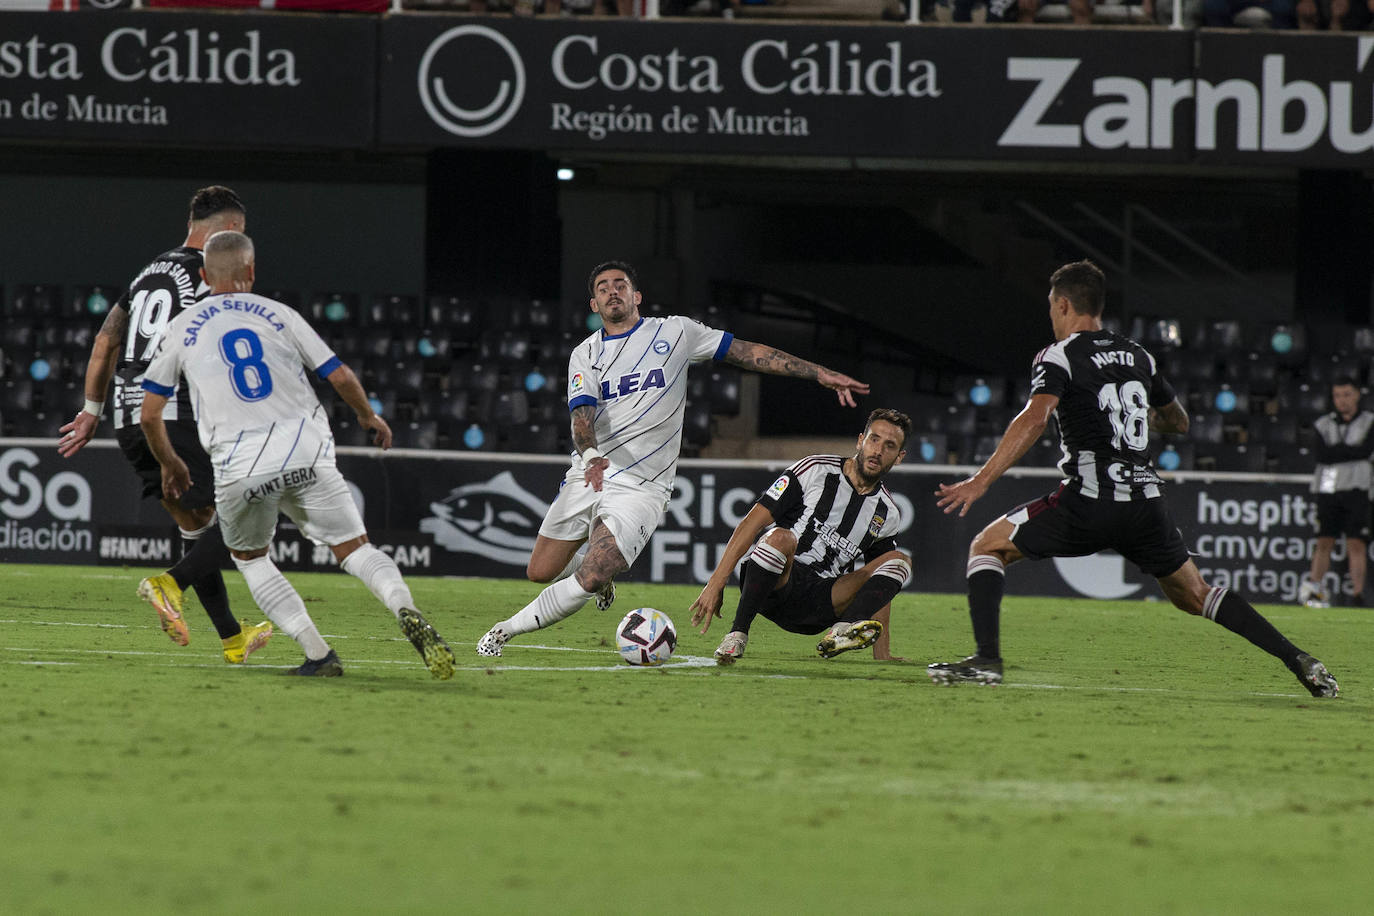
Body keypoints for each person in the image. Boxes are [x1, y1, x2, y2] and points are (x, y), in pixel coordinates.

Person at [929, 260, 1338, 698]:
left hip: (1088, 502)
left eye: (1052, 307)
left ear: (1064, 304)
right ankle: (1298, 659)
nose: (1051, 316)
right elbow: (1178, 421)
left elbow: (1036, 416)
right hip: (1145, 504)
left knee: (986, 547)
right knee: (1195, 595)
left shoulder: (1059, 355)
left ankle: (987, 660)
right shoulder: (1138, 355)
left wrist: (981, 479)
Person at [476, 260, 870, 657]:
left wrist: (817, 373)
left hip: (643, 488)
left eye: (620, 284)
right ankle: (602, 571)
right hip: (591, 472)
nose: (612, 291)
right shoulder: (585, 354)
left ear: (637, 296)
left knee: (592, 574)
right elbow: (581, 416)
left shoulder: (675, 332)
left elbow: (746, 352)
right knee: (539, 571)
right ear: (593, 304)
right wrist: (592, 454)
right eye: (602, 288)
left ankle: (503, 631)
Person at [138, 230, 455, 679]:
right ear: (251, 271)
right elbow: (340, 375)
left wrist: (172, 464)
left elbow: (150, 414)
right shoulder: (279, 314)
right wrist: (369, 418)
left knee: (251, 558)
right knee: (355, 549)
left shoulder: (181, 326)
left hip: (240, 463)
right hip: (306, 448)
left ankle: (319, 654)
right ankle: (404, 607)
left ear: (205, 275)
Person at [57, 186, 272, 665]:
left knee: (197, 524)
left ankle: (233, 639)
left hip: (128, 414)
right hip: (175, 411)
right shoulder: (210, 274)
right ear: (232, 231)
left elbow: (105, 342)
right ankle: (167, 583)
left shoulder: (147, 273)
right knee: (248, 512)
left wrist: (91, 410)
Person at [689, 408, 914, 665]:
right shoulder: (815, 470)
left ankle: (841, 632)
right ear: (860, 440)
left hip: (821, 605)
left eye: (889, 446)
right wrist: (716, 582)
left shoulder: (888, 513)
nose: (878, 451)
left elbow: (879, 587)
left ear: (899, 457)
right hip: (775, 584)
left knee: (898, 561)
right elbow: (751, 523)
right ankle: (736, 635)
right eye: (874, 439)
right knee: (780, 538)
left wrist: (881, 654)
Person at [1297, 378, 1374, 608]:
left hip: (1358, 486)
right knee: (1324, 540)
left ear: (1357, 395)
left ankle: (1357, 596)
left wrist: (1340, 451)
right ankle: (1314, 589)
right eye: (1338, 395)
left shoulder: (1369, 421)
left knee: (1356, 543)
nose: (1342, 400)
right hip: (1329, 484)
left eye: (1347, 394)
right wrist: (1352, 452)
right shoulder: (1323, 423)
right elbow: (1323, 456)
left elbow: (1366, 450)